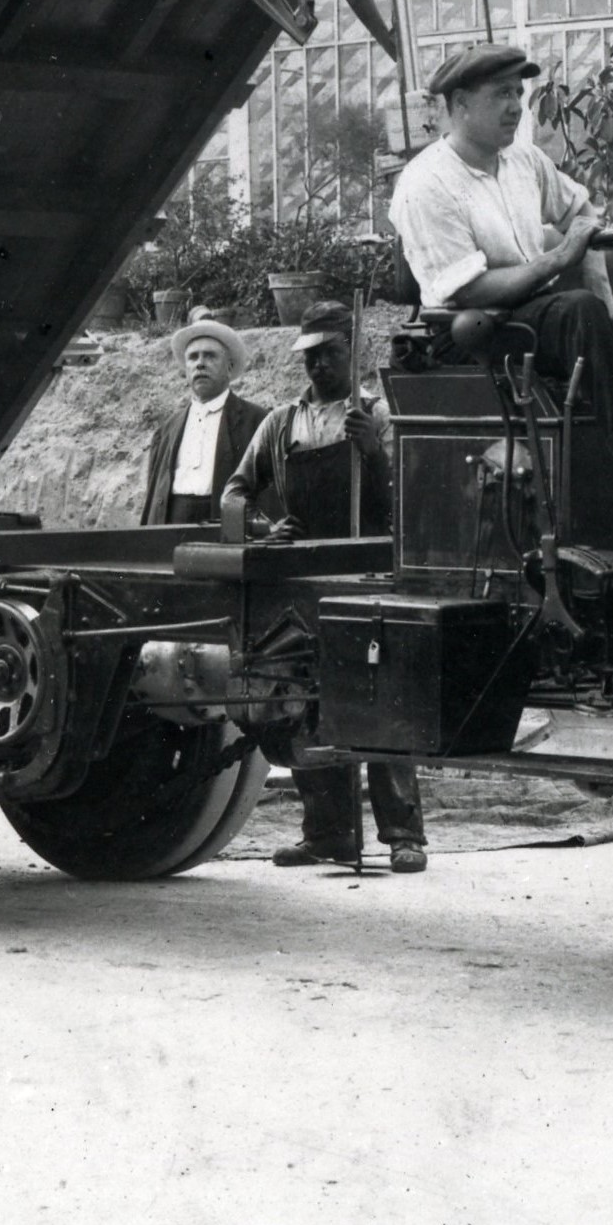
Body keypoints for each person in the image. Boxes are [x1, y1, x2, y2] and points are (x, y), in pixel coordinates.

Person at [386, 43, 613, 500]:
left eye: (519, 92)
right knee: (576, 311)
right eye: (501, 95)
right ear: (459, 105)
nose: (516, 106)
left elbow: (580, 211)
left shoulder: (524, 160)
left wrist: (607, 310)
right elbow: (469, 291)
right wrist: (557, 262)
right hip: (473, 332)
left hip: (544, 320)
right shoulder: (425, 183)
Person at [222, 299, 427, 874]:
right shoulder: (279, 425)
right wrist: (265, 527)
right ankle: (328, 834)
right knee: (301, 704)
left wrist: (374, 454)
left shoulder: (377, 417)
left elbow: (411, 505)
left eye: (330, 355)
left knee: (379, 702)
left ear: (350, 353)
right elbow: (234, 494)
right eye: (309, 358)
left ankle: (403, 834)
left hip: (365, 574)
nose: (318, 367)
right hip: (302, 580)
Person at [138, 316, 267, 525]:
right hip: (172, 523)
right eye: (193, 357)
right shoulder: (167, 430)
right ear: (186, 369)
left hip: (226, 524)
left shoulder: (257, 421)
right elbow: (155, 495)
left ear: (229, 367)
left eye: (210, 356)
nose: (200, 364)